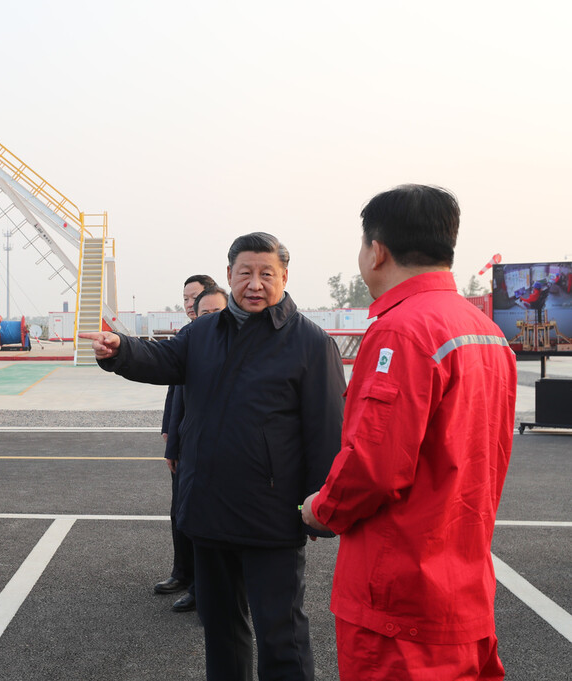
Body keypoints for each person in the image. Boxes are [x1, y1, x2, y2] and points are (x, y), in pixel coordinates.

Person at [82, 233, 345, 681]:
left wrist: (320, 505)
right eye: (246, 273)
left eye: (267, 274)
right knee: (221, 631)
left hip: (273, 518)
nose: (255, 283)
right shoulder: (202, 332)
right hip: (208, 509)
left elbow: (327, 432)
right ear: (229, 276)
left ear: (285, 277)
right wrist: (120, 350)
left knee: (281, 634)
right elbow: (161, 358)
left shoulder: (310, 343)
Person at [301, 185, 518, 680]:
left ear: (377, 250)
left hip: (399, 597)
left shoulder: (402, 331)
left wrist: (322, 509)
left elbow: (375, 468)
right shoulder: (484, 330)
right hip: (463, 585)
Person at [155, 274, 216, 613]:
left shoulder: (214, 339)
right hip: (182, 438)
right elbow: (173, 391)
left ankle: (199, 587)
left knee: (197, 516)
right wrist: (169, 434)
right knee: (179, 512)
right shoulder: (186, 336)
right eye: (186, 299)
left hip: (203, 445)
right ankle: (182, 573)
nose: (189, 304)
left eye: (194, 298)